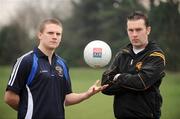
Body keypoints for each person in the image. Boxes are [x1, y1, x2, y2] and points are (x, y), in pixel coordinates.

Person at [4, 18, 108, 119]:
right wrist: (29, 111)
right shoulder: (26, 61)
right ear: (40, 35)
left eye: (58, 34)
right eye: (50, 33)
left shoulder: (62, 64)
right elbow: (9, 97)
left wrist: (87, 94)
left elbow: (66, 98)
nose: (55, 37)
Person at [101, 11, 166, 119]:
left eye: (138, 30)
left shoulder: (156, 55)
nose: (134, 34)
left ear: (148, 30)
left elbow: (141, 82)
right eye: (131, 30)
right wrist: (131, 79)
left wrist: (118, 77)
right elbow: (105, 86)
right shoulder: (122, 54)